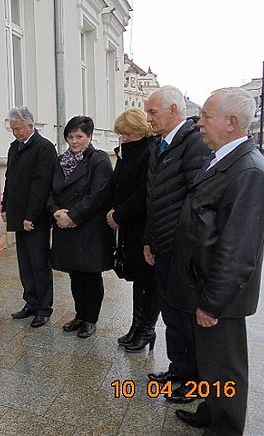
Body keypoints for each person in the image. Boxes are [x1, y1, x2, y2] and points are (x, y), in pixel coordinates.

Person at [166, 88, 264, 434]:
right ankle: (211, 409)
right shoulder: (224, 158)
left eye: (206, 117)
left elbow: (238, 249)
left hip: (220, 296)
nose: (199, 122)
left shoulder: (248, 169)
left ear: (232, 122)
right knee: (211, 363)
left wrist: (212, 303)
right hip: (202, 283)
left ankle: (225, 427)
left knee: (225, 367)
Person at [143, 85, 208, 403]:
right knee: (171, 315)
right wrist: (148, 240)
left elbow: (197, 202)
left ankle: (193, 379)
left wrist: (178, 246)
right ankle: (178, 368)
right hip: (161, 247)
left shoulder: (193, 143)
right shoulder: (159, 144)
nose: (148, 118)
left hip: (181, 251)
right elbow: (153, 198)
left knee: (184, 316)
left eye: (152, 112)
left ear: (173, 110)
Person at [48, 116, 113, 338]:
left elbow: (98, 195)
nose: (74, 141)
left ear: (90, 137)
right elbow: (50, 191)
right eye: (70, 136)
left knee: (90, 276)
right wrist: (56, 212)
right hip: (65, 224)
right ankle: (79, 314)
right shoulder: (60, 161)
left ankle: (90, 318)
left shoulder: (99, 160)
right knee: (75, 274)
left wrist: (73, 216)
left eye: (79, 136)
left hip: (89, 227)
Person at [107, 108, 159, 352]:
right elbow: (118, 183)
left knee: (149, 280)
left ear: (140, 131)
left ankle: (147, 329)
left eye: (127, 134)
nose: (123, 138)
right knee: (139, 279)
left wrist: (119, 215)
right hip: (131, 225)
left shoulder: (150, 151)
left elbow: (143, 192)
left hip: (143, 225)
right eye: (121, 134)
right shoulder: (127, 151)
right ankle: (136, 326)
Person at [2, 106, 56, 328]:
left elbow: (41, 185)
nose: (16, 133)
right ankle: (30, 302)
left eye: (19, 129)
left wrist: (31, 216)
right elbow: (10, 178)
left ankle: (44, 307)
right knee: (25, 262)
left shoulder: (44, 148)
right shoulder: (15, 147)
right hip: (18, 215)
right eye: (13, 129)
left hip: (35, 218)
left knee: (39, 263)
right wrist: (5, 206)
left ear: (31, 126)